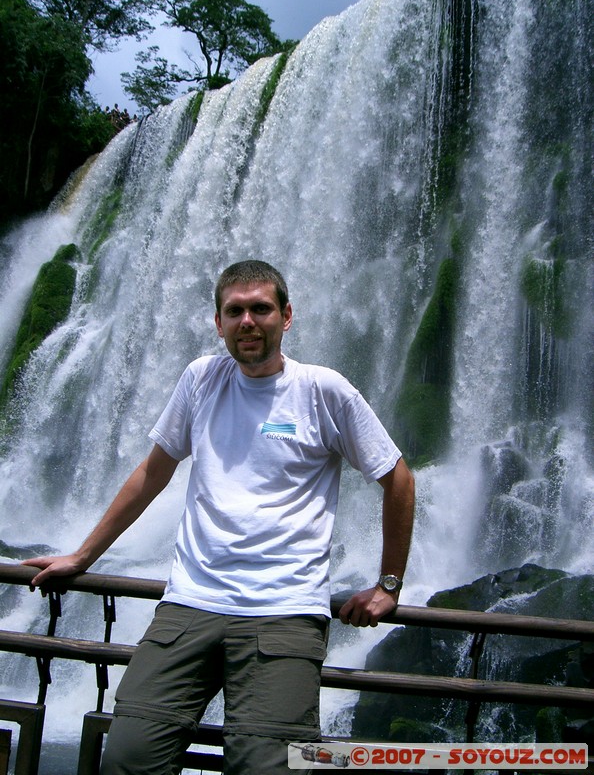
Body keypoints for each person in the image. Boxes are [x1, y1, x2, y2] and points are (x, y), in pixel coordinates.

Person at [24, 260, 415, 775]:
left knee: (264, 768)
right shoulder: (201, 379)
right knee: (127, 759)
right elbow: (152, 473)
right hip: (189, 605)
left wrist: (389, 584)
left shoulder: (324, 391)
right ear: (218, 323)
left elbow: (399, 478)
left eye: (261, 308)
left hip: (284, 612)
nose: (247, 321)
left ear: (286, 316)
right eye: (235, 311)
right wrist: (82, 555)